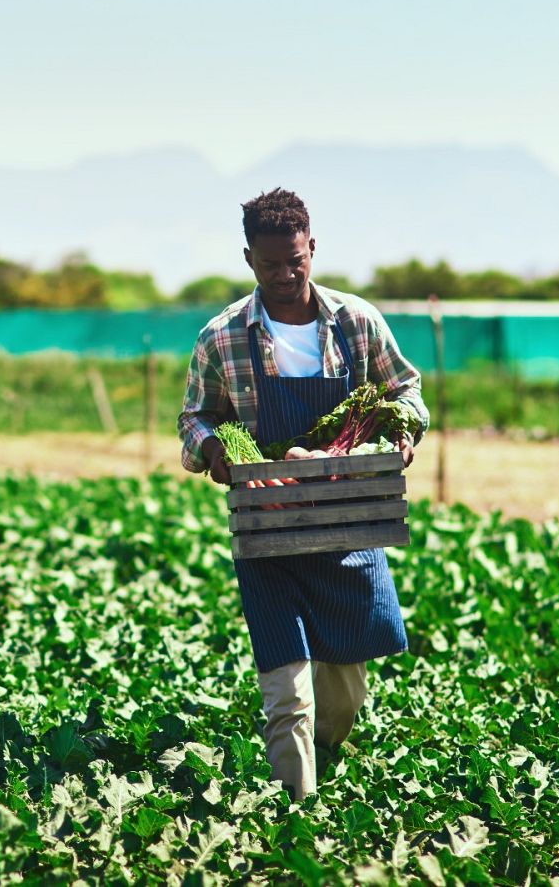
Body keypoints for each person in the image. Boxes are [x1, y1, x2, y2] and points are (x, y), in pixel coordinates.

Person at [177, 187, 429, 801]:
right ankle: (298, 809)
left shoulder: (358, 322)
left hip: (348, 525)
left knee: (343, 694)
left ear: (312, 248)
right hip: (268, 530)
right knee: (287, 692)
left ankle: (328, 762)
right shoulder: (222, 336)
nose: (286, 275)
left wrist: (400, 434)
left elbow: (408, 392)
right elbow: (195, 417)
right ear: (248, 260)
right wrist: (212, 449)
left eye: (296, 260)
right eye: (271, 265)